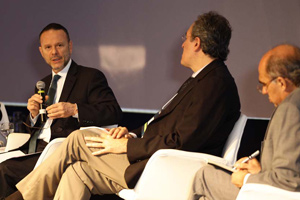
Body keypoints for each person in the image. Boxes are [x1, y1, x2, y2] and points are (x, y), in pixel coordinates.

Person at [8, 11, 241, 200]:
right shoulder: (202, 80)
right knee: (77, 172)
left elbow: (183, 141)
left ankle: (20, 198)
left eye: (186, 39)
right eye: (47, 48)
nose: (182, 45)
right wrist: (129, 134)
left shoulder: (215, 84)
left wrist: (126, 147)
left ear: (197, 43)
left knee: (79, 139)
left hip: (165, 169)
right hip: (151, 159)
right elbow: (161, 126)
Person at [0, 23, 122, 198]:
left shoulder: (90, 77)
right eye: (48, 47)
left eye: (59, 45)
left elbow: (113, 112)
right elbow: (37, 131)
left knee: (5, 170)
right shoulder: (43, 84)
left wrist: (75, 109)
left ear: (70, 46)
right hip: (36, 150)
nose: (54, 52)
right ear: (41, 52)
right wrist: (34, 116)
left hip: (61, 152)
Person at [189, 44, 300, 200]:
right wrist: (260, 172)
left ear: (281, 83)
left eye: (265, 84)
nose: (264, 91)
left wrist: (246, 179)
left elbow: (289, 181)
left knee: (204, 176)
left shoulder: (291, 108)